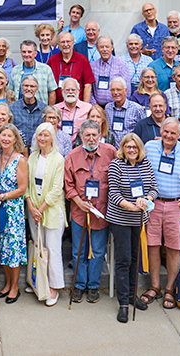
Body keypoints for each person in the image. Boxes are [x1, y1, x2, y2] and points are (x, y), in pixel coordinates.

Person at [140, 118, 180, 309]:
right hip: (153, 204)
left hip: (177, 205)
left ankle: (170, 288)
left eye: (173, 133)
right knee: (153, 245)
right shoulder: (149, 146)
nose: (169, 136)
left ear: (179, 135)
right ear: (161, 131)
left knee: (174, 247)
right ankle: (155, 286)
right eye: (166, 132)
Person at [108, 133, 159, 322]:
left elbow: (154, 187)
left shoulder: (145, 164)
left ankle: (131, 295)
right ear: (122, 148)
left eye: (135, 147)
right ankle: (122, 303)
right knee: (123, 260)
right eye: (128, 147)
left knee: (135, 259)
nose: (131, 150)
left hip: (139, 221)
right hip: (120, 219)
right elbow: (113, 193)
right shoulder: (116, 165)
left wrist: (147, 199)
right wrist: (131, 206)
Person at [65, 120, 115, 303]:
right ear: (81, 136)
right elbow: (68, 186)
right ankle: (79, 285)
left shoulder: (111, 152)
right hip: (80, 213)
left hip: (102, 213)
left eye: (95, 135)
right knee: (79, 251)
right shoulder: (72, 156)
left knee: (98, 251)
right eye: (87, 135)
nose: (91, 138)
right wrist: (78, 202)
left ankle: (93, 286)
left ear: (100, 135)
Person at [25, 123, 67, 306]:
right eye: (39, 135)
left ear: (51, 137)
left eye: (45, 135)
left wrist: (40, 210)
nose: (42, 138)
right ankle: (38, 281)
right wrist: (31, 208)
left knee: (52, 249)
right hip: (33, 210)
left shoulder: (58, 159)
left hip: (50, 211)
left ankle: (54, 287)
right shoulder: (32, 158)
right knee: (38, 248)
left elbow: (57, 190)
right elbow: (26, 185)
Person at [0, 123, 28, 303]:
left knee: (13, 249)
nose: (5, 139)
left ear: (15, 139)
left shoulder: (20, 159)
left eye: (9, 136)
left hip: (13, 211)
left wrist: (2, 196)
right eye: (2, 135)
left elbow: (22, 188)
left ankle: (15, 287)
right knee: (2, 249)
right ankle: (6, 284)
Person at [47, 31, 95, 102]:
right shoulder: (52, 60)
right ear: (58, 44)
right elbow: (49, 87)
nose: (66, 44)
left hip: (77, 106)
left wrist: (85, 107)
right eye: (62, 42)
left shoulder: (83, 60)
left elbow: (87, 86)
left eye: (68, 41)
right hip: (57, 106)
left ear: (73, 43)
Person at [9, 40, 58, 105]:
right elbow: (10, 92)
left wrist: (49, 111)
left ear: (35, 53)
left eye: (29, 52)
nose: (26, 55)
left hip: (41, 111)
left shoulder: (46, 69)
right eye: (24, 52)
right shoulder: (15, 70)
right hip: (19, 111)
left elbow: (52, 92)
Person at [91, 36, 131, 106]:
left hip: (117, 106)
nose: (104, 49)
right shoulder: (92, 66)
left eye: (107, 47)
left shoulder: (121, 64)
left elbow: (127, 90)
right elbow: (89, 90)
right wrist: (95, 107)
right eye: (102, 47)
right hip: (98, 108)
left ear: (112, 47)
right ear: (97, 48)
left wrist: (118, 106)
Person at [9, 75, 47, 147]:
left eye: (32, 86)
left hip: (38, 148)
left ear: (37, 89)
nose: (29, 89)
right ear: (21, 87)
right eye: (26, 86)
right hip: (18, 149)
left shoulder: (44, 109)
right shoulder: (12, 108)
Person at [105, 77, 145, 142]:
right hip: (112, 147)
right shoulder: (108, 108)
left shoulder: (136, 109)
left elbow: (144, 130)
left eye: (118, 89)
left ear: (125, 91)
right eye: (113, 90)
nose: (115, 92)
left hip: (130, 148)